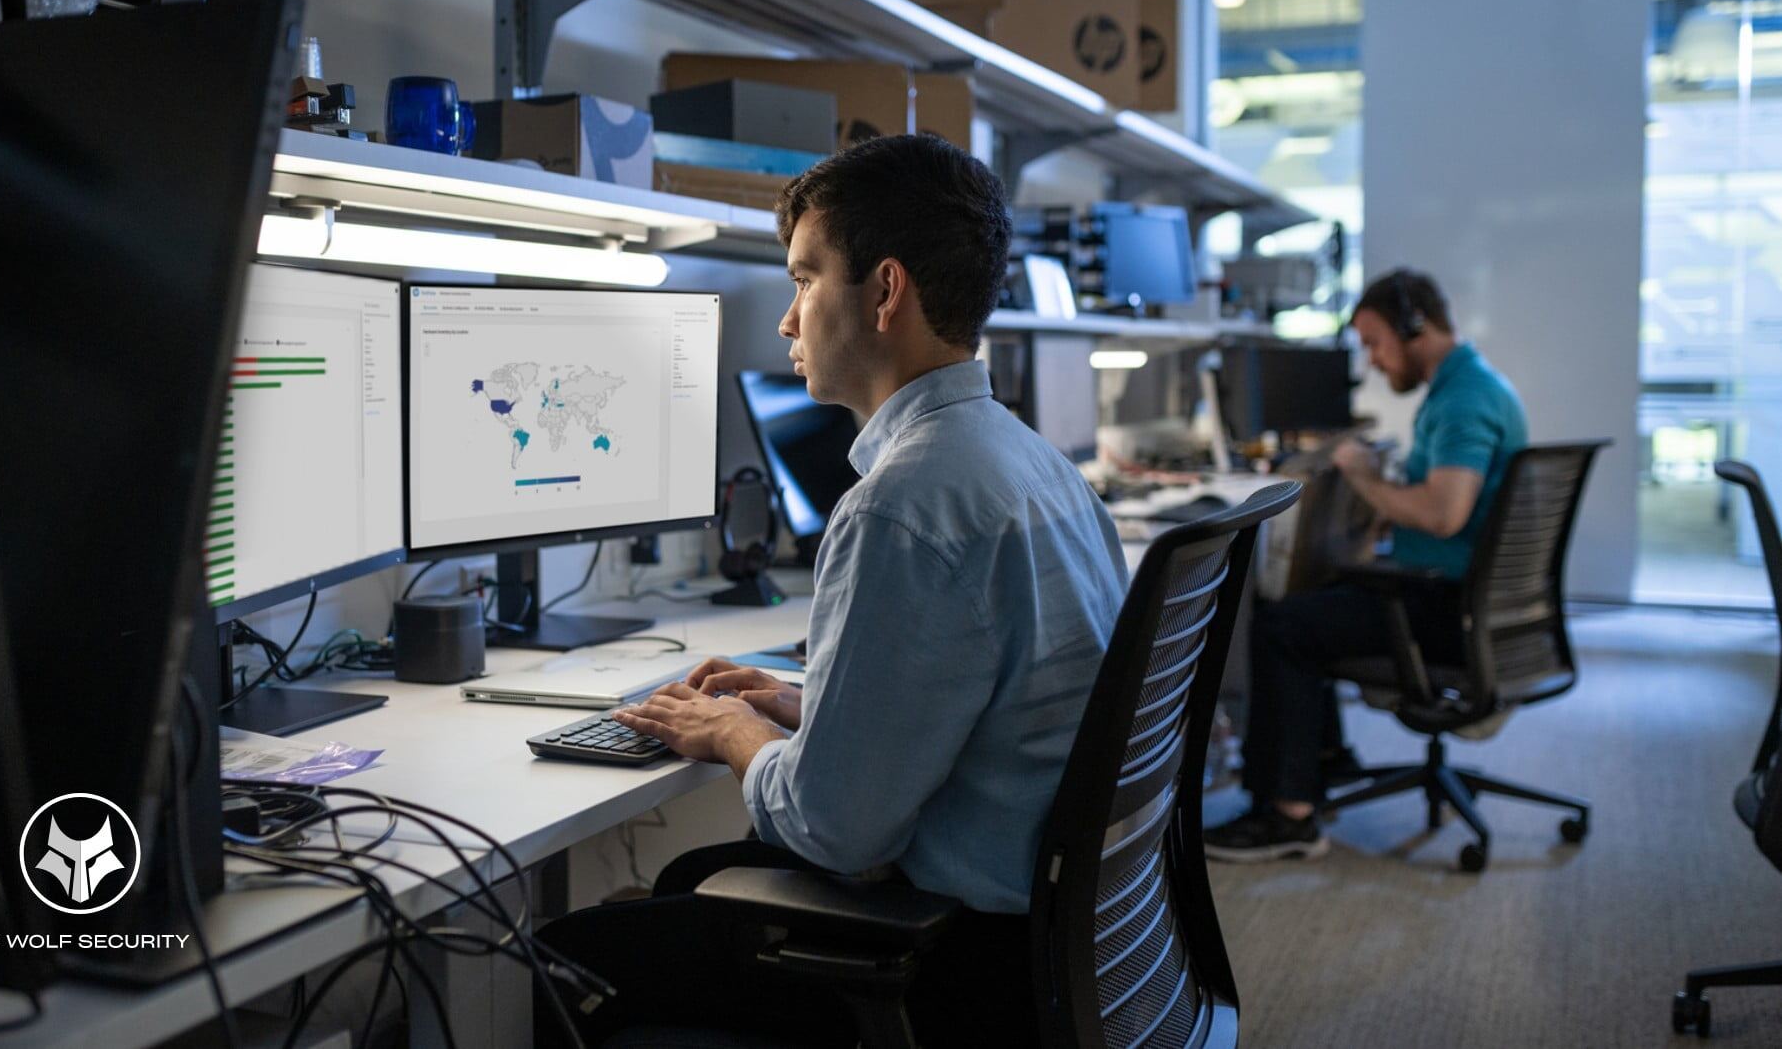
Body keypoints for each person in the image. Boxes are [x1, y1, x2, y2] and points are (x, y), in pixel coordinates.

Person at [533, 134, 1129, 1047]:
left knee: (554, 964)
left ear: (885, 291)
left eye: (804, 280)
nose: (786, 320)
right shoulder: (1035, 465)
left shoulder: (901, 505)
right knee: (689, 879)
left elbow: (836, 832)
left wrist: (738, 733)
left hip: (959, 965)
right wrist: (809, 705)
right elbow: (995, 709)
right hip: (1070, 945)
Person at [1202, 269, 1528, 862]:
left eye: (1375, 343)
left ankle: (1288, 815)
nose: (1373, 362)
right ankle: (1321, 765)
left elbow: (1444, 515)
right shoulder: (1473, 386)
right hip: (1460, 594)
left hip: (1444, 607)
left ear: (1414, 328)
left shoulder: (1464, 398)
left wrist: (1364, 478)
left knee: (1282, 625)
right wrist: (1387, 512)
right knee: (1318, 596)